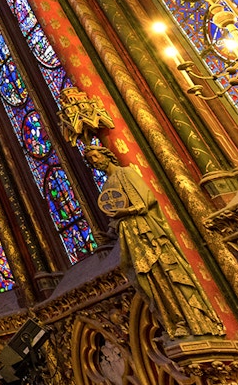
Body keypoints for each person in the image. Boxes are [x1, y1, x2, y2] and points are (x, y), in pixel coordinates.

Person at [85, 145, 224, 339]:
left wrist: (126, 212)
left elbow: (145, 201)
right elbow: (115, 214)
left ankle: (190, 319)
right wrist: (109, 235)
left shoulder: (125, 173)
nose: (94, 161)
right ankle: (173, 322)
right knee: (147, 278)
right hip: (130, 236)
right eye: (90, 160)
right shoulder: (107, 185)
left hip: (146, 231)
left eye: (96, 156)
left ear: (106, 154)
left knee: (163, 270)